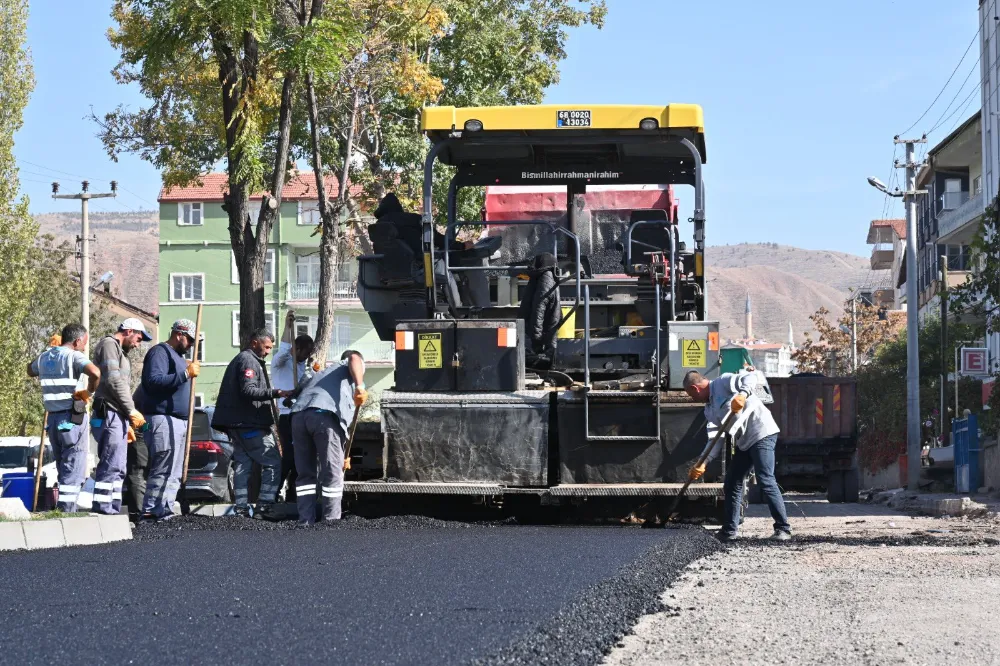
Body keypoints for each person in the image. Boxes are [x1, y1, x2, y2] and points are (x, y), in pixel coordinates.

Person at [684, 369, 791, 542]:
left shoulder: (723, 382)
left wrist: (742, 394)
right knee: (732, 482)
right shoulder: (709, 410)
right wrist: (703, 462)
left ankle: (783, 528)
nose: (692, 399)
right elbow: (715, 438)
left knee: (765, 479)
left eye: (691, 395)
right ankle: (729, 531)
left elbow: (751, 377)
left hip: (761, 432)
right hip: (744, 442)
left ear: (695, 389)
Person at [212, 327, 290, 519]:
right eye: (266, 347)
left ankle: (240, 508)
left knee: (242, 465)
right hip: (250, 425)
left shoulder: (245, 359)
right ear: (255, 342)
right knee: (272, 462)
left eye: (271, 348)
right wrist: (275, 393)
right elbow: (249, 390)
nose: (268, 351)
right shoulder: (248, 361)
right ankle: (264, 506)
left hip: (238, 425)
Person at [26, 324, 101, 512]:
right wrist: (89, 391)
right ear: (76, 341)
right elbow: (95, 372)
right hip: (71, 418)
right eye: (84, 343)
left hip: (53, 421)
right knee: (74, 463)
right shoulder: (74, 356)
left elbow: (30, 370)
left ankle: (63, 508)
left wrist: (50, 353)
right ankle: (67, 510)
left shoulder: (44, 357)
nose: (84, 346)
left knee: (62, 464)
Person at [289, 350, 366, 525]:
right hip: (322, 416)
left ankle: (305, 521)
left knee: (305, 474)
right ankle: (331, 522)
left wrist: (343, 455)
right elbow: (354, 357)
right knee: (332, 472)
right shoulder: (350, 364)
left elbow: (300, 387)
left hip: (298, 417)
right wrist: (360, 386)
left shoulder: (322, 373)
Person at [373, 193, 490, 307]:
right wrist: (462, 246)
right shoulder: (412, 220)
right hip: (422, 265)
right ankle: (459, 309)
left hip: (391, 272)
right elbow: (437, 240)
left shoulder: (379, 227)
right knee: (453, 271)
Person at [136, 319, 199, 522]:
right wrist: (184, 374)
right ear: (179, 334)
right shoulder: (160, 352)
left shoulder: (178, 357)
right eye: (189, 340)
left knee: (174, 470)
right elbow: (153, 381)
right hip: (163, 418)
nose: (190, 345)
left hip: (178, 421)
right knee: (163, 466)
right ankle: (150, 510)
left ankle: (165, 509)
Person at [90, 318, 151, 514]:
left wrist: (128, 419)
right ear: (128, 330)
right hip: (109, 413)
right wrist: (132, 411)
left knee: (118, 467)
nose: (138, 343)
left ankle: (113, 510)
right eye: (138, 338)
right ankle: (104, 509)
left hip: (118, 415)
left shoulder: (120, 351)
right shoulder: (109, 345)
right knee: (111, 464)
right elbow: (114, 381)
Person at [272, 310, 315, 503]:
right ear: (296, 350)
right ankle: (273, 494)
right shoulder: (281, 363)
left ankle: (293, 497)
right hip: (286, 416)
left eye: (308, 355)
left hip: (300, 416)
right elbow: (283, 348)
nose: (305, 358)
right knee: (288, 457)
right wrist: (287, 325)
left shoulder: (302, 367)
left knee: (301, 458)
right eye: (303, 353)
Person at [517, 252, 561, 369]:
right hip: (547, 324)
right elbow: (540, 306)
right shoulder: (547, 276)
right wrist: (537, 337)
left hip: (541, 323)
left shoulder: (540, 275)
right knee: (547, 356)